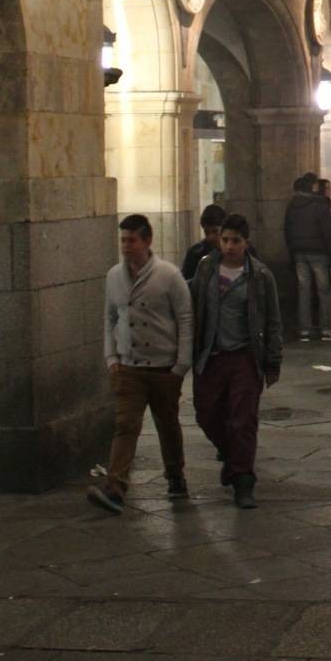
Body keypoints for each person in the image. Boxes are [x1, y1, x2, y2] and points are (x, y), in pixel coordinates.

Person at [89, 214, 193, 514]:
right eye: (122, 239)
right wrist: (111, 358)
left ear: (147, 241)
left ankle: (175, 475)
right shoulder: (113, 276)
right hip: (128, 368)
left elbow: (185, 319)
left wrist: (181, 365)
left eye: (131, 240)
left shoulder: (169, 275)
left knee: (168, 425)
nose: (125, 246)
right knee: (125, 426)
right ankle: (115, 488)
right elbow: (109, 318)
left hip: (163, 367)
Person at [190, 212, 282, 508]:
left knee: (243, 419)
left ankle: (243, 480)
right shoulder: (206, 269)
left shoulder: (260, 276)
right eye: (225, 239)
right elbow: (192, 306)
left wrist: (272, 361)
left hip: (245, 355)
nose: (229, 246)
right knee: (206, 413)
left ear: (246, 242)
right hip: (212, 355)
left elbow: (272, 321)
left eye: (235, 240)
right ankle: (232, 456)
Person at [284, 172, 331, 340]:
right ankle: (326, 327)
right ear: (311, 187)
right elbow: (328, 231)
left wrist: (292, 251)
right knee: (323, 290)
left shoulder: (292, 206)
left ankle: (305, 328)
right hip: (319, 252)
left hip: (299, 253)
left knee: (304, 290)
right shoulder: (320, 204)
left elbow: (286, 230)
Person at [181, 203, 226, 282]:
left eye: (215, 231)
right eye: (207, 233)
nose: (210, 237)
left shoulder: (237, 251)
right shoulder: (195, 253)